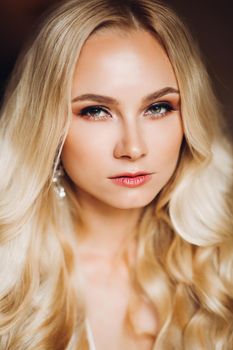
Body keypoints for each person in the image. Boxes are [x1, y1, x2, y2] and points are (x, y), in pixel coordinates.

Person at [0, 0, 232, 349]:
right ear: (45, 124)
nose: (133, 148)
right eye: (95, 111)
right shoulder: (9, 280)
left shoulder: (221, 264)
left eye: (158, 107)